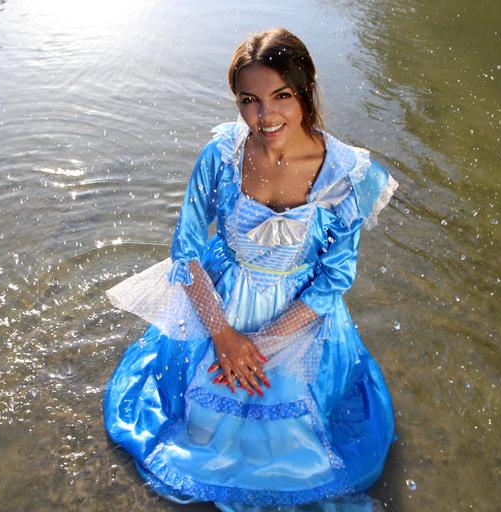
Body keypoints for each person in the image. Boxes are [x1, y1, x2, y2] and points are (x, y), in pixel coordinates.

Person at [103, 28, 398, 511]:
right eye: (249, 100)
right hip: (221, 299)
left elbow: (335, 278)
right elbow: (185, 252)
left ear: (305, 90)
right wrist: (222, 335)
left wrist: (264, 344)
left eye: (281, 96)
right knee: (201, 428)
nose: (265, 116)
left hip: (301, 313)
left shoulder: (346, 176)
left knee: (293, 440)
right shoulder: (221, 156)